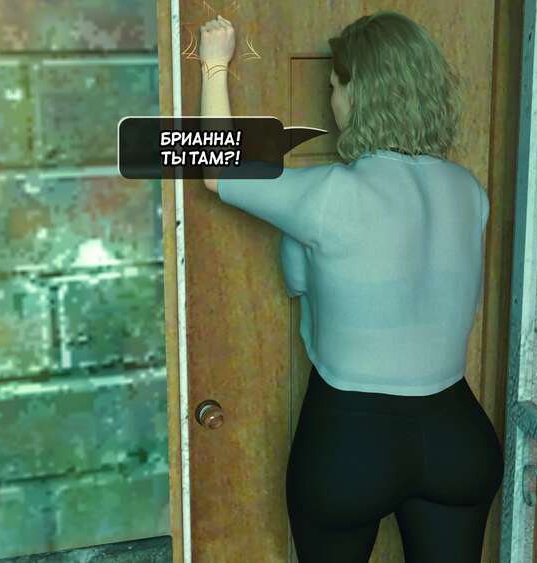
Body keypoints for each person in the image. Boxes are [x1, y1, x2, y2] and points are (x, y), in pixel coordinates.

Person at [198, 10, 504, 563]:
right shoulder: (468, 191)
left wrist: (215, 65)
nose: (332, 101)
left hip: (350, 443)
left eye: (334, 86)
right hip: (458, 437)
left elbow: (217, 170)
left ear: (359, 91)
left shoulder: (330, 195)